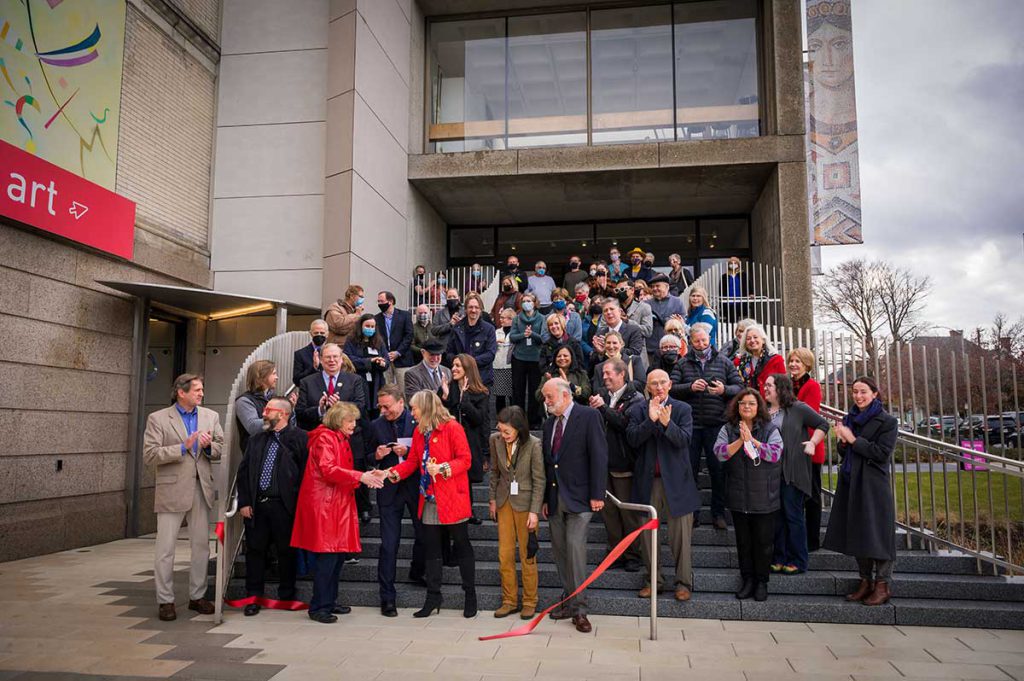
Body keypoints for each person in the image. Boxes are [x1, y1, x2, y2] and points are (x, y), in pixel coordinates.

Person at [386, 390, 477, 617]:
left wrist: (444, 469)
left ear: (426, 408)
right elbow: (413, 462)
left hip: (452, 496)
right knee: (432, 549)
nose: (412, 412)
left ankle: (470, 594)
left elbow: (466, 460)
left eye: (414, 408)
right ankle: (433, 597)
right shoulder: (419, 432)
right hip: (428, 497)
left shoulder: (452, 427)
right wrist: (391, 473)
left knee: (461, 544)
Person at [292, 401, 385, 623]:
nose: (354, 424)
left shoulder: (336, 437)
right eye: (350, 420)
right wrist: (360, 477)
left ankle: (328, 601)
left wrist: (363, 476)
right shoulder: (325, 438)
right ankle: (319, 606)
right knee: (329, 557)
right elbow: (328, 470)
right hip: (326, 505)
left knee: (336, 556)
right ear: (338, 420)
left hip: (335, 502)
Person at [143, 374, 224, 621]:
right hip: (171, 490)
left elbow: (220, 447)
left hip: (201, 488)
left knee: (200, 546)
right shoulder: (158, 418)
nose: (201, 394)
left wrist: (210, 446)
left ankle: (197, 597)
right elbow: (150, 455)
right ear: (181, 391)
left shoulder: (211, 416)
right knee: (165, 549)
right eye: (197, 390)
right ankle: (165, 600)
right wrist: (182, 446)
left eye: (202, 389)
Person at [540, 378, 607, 634]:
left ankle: (580, 610)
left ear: (565, 395)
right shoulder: (548, 424)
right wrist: (547, 498)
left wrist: (597, 493)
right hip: (556, 499)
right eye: (545, 397)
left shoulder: (588, 416)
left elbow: (599, 455)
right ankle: (568, 600)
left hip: (581, 498)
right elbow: (549, 465)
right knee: (560, 554)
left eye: (549, 397)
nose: (546, 402)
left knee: (575, 551)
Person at [824, 376, 898, 606]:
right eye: (855, 391)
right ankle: (865, 581)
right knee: (858, 533)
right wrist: (843, 443)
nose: (858, 396)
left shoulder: (887, 421)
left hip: (874, 485)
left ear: (875, 393)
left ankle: (882, 585)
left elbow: (881, 453)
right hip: (852, 482)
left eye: (863, 391)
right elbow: (844, 451)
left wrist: (852, 440)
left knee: (878, 534)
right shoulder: (850, 418)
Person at [626, 370, 698, 602]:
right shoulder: (637, 409)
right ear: (646, 387)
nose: (658, 387)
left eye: (662, 383)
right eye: (653, 384)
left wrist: (667, 424)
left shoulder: (683, 409)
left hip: (677, 481)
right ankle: (653, 580)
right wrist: (651, 421)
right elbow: (633, 439)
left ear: (670, 385)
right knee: (647, 537)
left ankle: (683, 583)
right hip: (648, 481)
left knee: (680, 537)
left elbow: (684, 440)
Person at [235, 397, 307, 616]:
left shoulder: (300, 438)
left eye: (268, 410)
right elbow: (244, 472)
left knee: (286, 552)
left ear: (283, 414)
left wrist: (299, 506)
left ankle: (287, 595)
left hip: (285, 507)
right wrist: (245, 501)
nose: (263, 414)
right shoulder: (256, 439)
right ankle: (253, 597)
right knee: (255, 552)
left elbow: (305, 473)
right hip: (257, 506)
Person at [671, 323, 743, 531]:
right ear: (691, 342)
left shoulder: (724, 362)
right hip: (691, 425)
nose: (701, 344)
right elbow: (672, 389)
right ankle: (692, 514)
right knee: (690, 471)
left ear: (710, 340)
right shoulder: (682, 363)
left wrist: (723, 389)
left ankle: (718, 513)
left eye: (704, 340)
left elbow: (740, 387)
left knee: (718, 471)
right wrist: (689, 387)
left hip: (716, 424)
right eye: (696, 341)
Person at [714, 389, 783, 602]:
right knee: (743, 543)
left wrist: (753, 441)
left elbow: (775, 453)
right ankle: (748, 580)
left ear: (758, 407)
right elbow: (719, 452)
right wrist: (740, 440)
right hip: (738, 496)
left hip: (764, 498)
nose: (746, 407)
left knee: (763, 543)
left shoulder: (770, 428)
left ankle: (762, 581)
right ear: (737, 406)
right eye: (742, 403)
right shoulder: (728, 429)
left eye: (751, 404)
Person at [763, 374, 829, 575]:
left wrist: (812, 442)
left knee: (793, 515)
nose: (765, 388)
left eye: (769, 385)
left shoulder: (798, 408)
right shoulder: (764, 411)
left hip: (792, 471)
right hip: (770, 473)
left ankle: (798, 560)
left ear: (780, 388)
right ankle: (779, 558)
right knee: (776, 517)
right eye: (765, 385)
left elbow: (822, 424)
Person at [367, 385, 424, 616]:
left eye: (387, 406)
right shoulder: (375, 426)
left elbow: (428, 453)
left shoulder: (418, 420)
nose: (383, 410)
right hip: (389, 490)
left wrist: (408, 451)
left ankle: (417, 571)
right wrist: (377, 456)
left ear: (401, 402)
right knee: (389, 545)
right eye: (380, 406)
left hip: (414, 486)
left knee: (423, 534)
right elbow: (365, 457)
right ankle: (387, 597)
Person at [488, 406, 545, 619]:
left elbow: (539, 480)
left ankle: (530, 601)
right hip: (504, 503)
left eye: (507, 432)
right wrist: (492, 499)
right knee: (505, 555)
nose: (503, 435)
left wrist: (534, 511)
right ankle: (509, 600)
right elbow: (494, 472)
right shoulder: (495, 441)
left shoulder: (534, 445)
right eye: (501, 431)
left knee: (527, 556)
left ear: (519, 429)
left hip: (526, 505)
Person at [589, 358, 644, 573]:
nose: (604, 377)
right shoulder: (603, 396)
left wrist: (603, 409)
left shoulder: (636, 398)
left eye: (609, 373)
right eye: (603, 374)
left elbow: (625, 425)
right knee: (609, 513)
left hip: (624, 464)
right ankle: (615, 552)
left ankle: (633, 554)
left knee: (628, 513)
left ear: (622, 374)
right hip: (603, 465)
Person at [788, 347, 826, 551]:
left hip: (808, 447)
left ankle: (812, 540)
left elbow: (809, 418)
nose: (793, 364)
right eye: (792, 361)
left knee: (811, 496)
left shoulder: (811, 386)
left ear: (807, 365)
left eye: (798, 362)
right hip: (793, 449)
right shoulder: (790, 385)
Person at [441, 353, 490, 486]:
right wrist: (445, 397)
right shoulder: (449, 389)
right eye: (453, 365)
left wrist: (465, 399)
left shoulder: (481, 393)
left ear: (468, 368)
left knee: (466, 486)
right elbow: (442, 417)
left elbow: (479, 420)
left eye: (458, 365)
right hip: (450, 445)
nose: (453, 369)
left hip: (470, 446)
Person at [295, 343, 367, 431]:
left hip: (346, 436)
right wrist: (320, 409)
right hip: (318, 436)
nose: (332, 360)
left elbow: (361, 407)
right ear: (321, 360)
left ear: (341, 359)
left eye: (335, 356)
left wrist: (340, 406)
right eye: (328, 357)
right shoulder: (306, 382)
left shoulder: (355, 380)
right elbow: (300, 413)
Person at [236, 360, 293, 453]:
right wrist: (278, 416)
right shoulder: (244, 401)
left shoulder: (274, 398)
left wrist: (290, 410)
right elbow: (253, 427)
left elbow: (288, 427)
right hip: (256, 455)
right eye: (274, 373)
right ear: (262, 377)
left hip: (277, 452)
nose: (277, 377)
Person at [510, 293, 546, 428]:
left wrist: (532, 335)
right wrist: (523, 335)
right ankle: (518, 419)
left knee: (534, 390)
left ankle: (534, 421)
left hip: (536, 359)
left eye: (529, 301)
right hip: (519, 358)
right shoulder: (517, 319)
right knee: (518, 390)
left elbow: (543, 338)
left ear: (534, 302)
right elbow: (512, 337)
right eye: (524, 301)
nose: (526, 303)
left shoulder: (542, 318)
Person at [344, 315, 390, 418]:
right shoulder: (351, 340)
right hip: (359, 379)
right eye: (367, 326)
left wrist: (383, 363)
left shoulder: (379, 341)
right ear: (361, 326)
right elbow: (348, 359)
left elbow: (386, 358)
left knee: (376, 410)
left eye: (372, 326)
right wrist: (369, 361)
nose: (370, 329)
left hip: (376, 381)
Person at [446, 292, 497, 387]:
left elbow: (490, 354)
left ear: (481, 310)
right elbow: (449, 352)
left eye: (477, 307)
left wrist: (469, 362)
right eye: (470, 307)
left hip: (482, 379)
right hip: (460, 379)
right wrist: (459, 363)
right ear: (465, 309)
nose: (473, 310)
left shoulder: (489, 329)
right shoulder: (457, 328)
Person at [591, 299, 647, 372]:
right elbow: (593, 359)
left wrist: (610, 349)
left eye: (611, 309)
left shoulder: (633, 330)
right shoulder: (600, 333)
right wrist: (601, 354)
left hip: (628, 372)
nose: (608, 312)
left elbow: (635, 352)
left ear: (620, 311)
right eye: (605, 310)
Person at [375, 290, 414, 391]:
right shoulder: (376, 318)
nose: (379, 304)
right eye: (378, 301)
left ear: (390, 301)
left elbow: (409, 336)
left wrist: (398, 352)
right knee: (387, 389)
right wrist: (384, 354)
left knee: (404, 390)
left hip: (402, 359)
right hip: (385, 359)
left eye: (382, 301)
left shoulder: (405, 315)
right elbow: (376, 339)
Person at [735, 323, 786, 396]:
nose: (752, 341)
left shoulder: (776, 360)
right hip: (747, 403)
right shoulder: (740, 361)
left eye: (755, 337)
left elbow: (783, 386)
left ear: (763, 340)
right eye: (748, 339)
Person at [646, 273, 686, 363]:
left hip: (672, 349)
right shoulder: (646, 304)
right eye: (652, 287)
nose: (654, 289)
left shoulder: (677, 302)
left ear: (667, 287)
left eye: (657, 286)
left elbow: (682, 324)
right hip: (651, 348)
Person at [403, 339, 452, 403]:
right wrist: (441, 395)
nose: (435, 358)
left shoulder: (447, 371)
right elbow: (413, 401)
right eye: (432, 354)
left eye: (438, 355)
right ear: (423, 352)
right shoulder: (412, 374)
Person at [293, 319, 329, 387]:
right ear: (311, 333)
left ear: (327, 334)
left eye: (322, 333)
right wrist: (314, 368)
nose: (319, 335)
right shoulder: (300, 354)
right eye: (316, 333)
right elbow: (297, 381)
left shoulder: (335, 353)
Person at [493, 308, 516, 414]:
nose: (501, 320)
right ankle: (500, 418)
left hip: (511, 367)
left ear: (511, 319)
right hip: (498, 366)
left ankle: (512, 417)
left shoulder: (515, 333)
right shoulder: (497, 332)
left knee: (512, 396)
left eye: (504, 318)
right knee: (499, 396)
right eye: (501, 317)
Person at [720, 257, 751, 323]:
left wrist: (751, 293)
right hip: (729, 301)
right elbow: (722, 288)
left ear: (738, 264)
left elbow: (748, 284)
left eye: (735, 263)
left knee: (742, 318)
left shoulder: (743, 275)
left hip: (740, 300)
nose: (733, 264)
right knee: (731, 319)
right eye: (731, 263)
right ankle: (732, 331)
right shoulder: (724, 276)